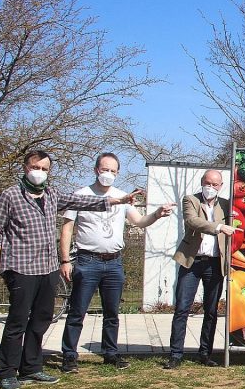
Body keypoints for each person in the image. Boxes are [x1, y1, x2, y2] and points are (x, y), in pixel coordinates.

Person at [0, 150, 137, 389]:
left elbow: (83, 202)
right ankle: (6, 372)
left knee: (41, 319)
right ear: (26, 167)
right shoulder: (10, 195)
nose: (40, 172)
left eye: (45, 169)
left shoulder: (52, 195)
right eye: (36, 167)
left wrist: (118, 201)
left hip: (47, 268)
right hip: (21, 268)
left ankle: (31, 367)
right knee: (17, 322)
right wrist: (3, 264)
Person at [58, 153, 176, 373]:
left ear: (117, 173)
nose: (108, 174)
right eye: (105, 170)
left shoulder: (122, 196)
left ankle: (110, 353)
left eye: (113, 171)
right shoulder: (80, 195)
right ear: (96, 170)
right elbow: (67, 228)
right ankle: (69, 356)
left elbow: (139, 221)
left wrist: (157, 214)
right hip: (87, 260)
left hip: (113, 262)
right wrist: (65, 259)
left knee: (111, 313)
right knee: (77, 311)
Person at [164, 169, 234, 369]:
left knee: (211, 311)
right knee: (182, 309)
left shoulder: (226, 204)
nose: (210, 187)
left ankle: (205, 353)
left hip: (214, 264)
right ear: (202, 182)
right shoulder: (191, 200)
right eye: (207, 183)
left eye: (215, 184)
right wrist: (219, 228)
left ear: (221, 186)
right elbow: (192, 221)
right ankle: (176, 355)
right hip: (192, 262)